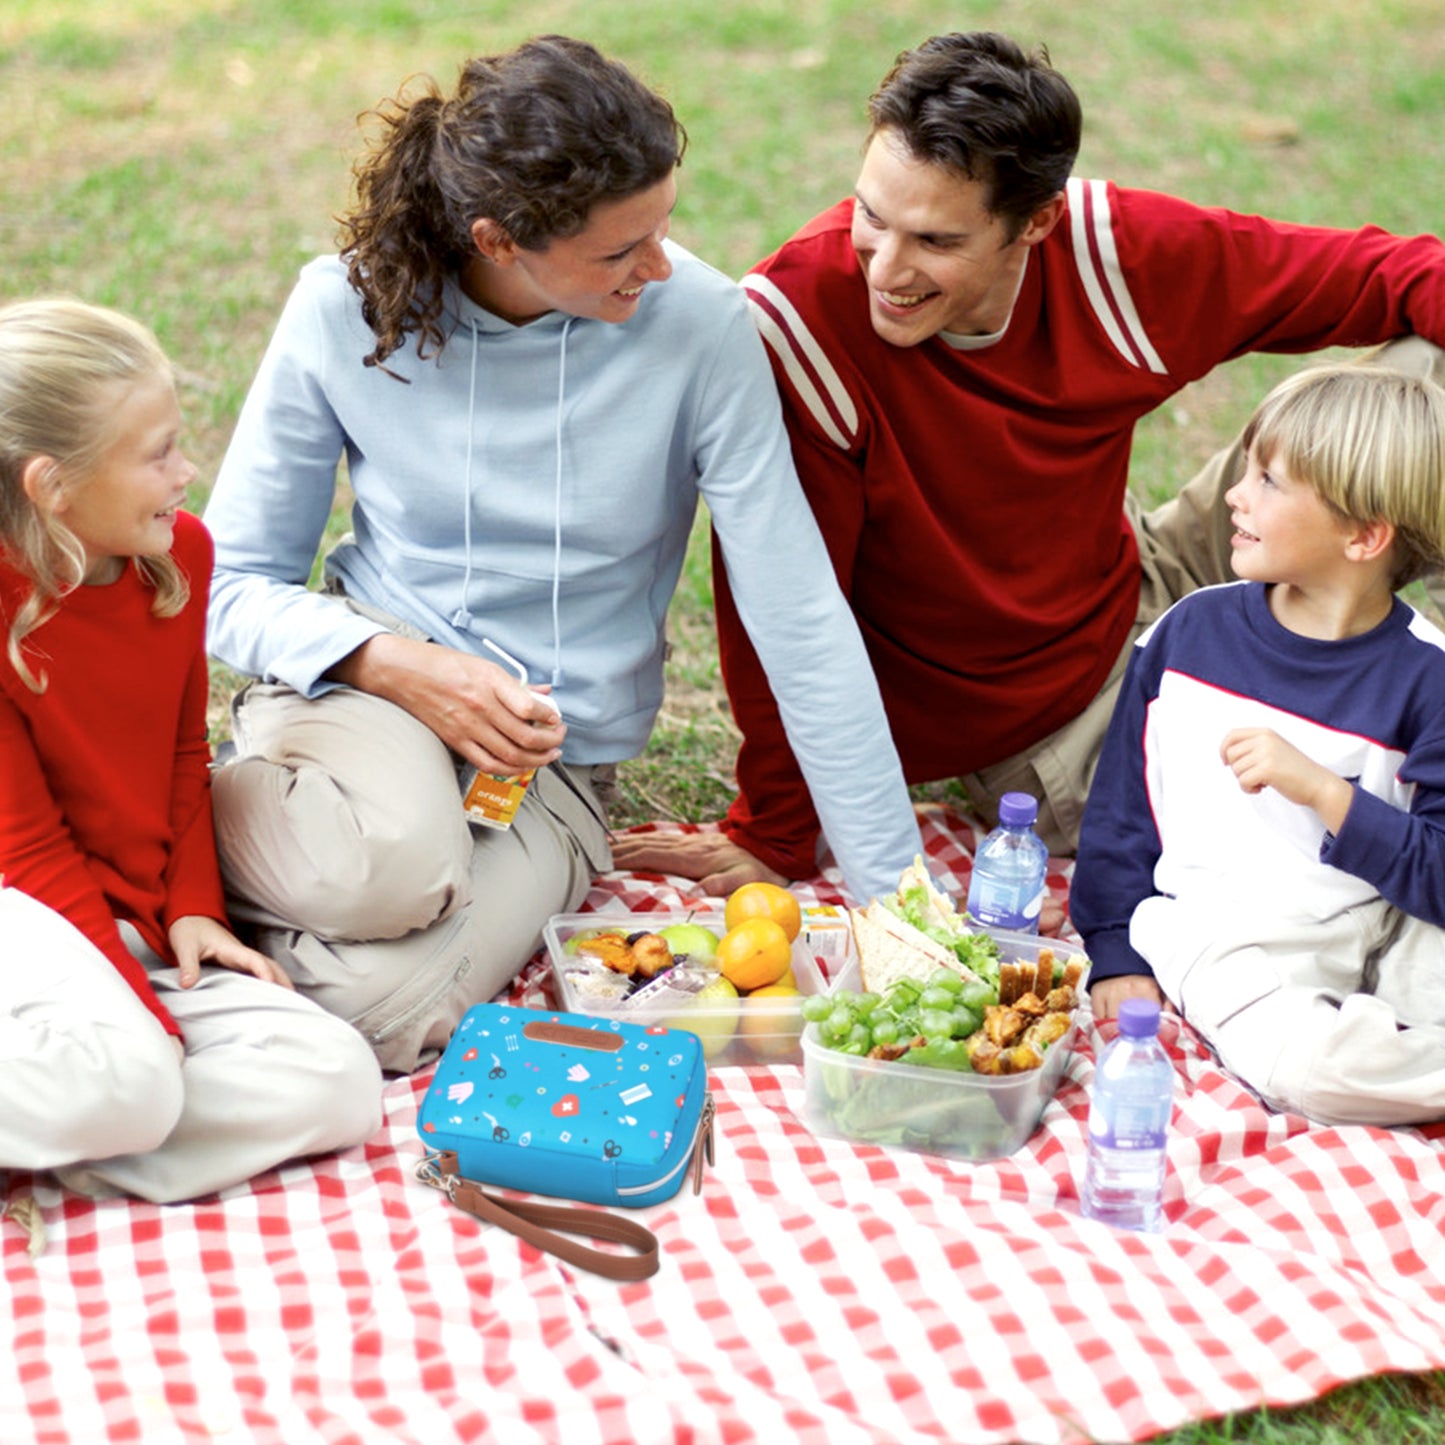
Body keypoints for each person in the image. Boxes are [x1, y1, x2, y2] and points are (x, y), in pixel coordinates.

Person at [203, 35, 922, 1072]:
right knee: (389, 867)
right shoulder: (344, 307)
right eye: (619, 250)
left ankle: (241, 911)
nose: (659, 265)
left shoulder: (702, 329)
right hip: (370, 689)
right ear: (498, 240)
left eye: (662, 227)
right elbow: (227, 582)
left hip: (548, 765)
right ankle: (172, 837)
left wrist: (896, 902)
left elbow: (798, 612)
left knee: (386, 1013)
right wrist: (393, 663)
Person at [614, 29, 1445, 904]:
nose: (884, 268)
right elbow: (780, 608)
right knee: (1278, 835)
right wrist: (775, 827)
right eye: (869, 215)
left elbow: (1396, 273)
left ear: (1036, 222)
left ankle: (1330, 657)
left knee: (1424, 371)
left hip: (1143, 573)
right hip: (1043, 727)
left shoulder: (1113, 256)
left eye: (934, 240)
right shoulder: (802, 326)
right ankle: (1316, 681)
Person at [0, 298, 381, 1204]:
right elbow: (24, 848)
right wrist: (139, 1019)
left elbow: (182, 754)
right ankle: (106, 1099)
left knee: (337, 1078)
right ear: (52, 487)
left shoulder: (180, 555)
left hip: (126, 924)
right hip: (27, 912)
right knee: (130, 1075)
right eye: (158, 453)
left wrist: (194, 908)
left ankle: (62, 1149)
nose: (188, 472)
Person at [1070, 364, 1445, 1126]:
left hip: (1379, 924)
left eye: (1267, 481)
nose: (1236, 495)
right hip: (1218, 937)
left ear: (1362, 535)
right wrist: (1112, 948)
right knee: (1314, 1071)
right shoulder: (1188, 634)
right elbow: (1119, 814)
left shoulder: (1427, 677)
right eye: (1246, 469)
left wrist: (1326, 791)